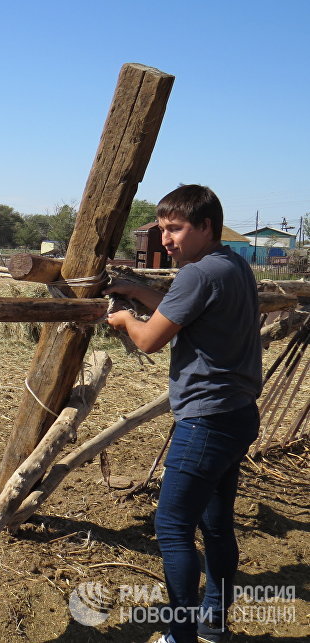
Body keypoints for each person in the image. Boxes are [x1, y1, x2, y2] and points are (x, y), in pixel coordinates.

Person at [104, 184, 262, 643]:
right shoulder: (231, 265)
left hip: (206, 421)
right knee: (216, 525)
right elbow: (182, 313)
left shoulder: (196, 274)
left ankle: (180, 635)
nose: (166, 239)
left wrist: (124, 318)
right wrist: (138, 291)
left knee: (172, 528)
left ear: (206, 226)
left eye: (175, 229)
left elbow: (150, 339)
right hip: (237, 414)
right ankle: (213, 622)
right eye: (162, 229)